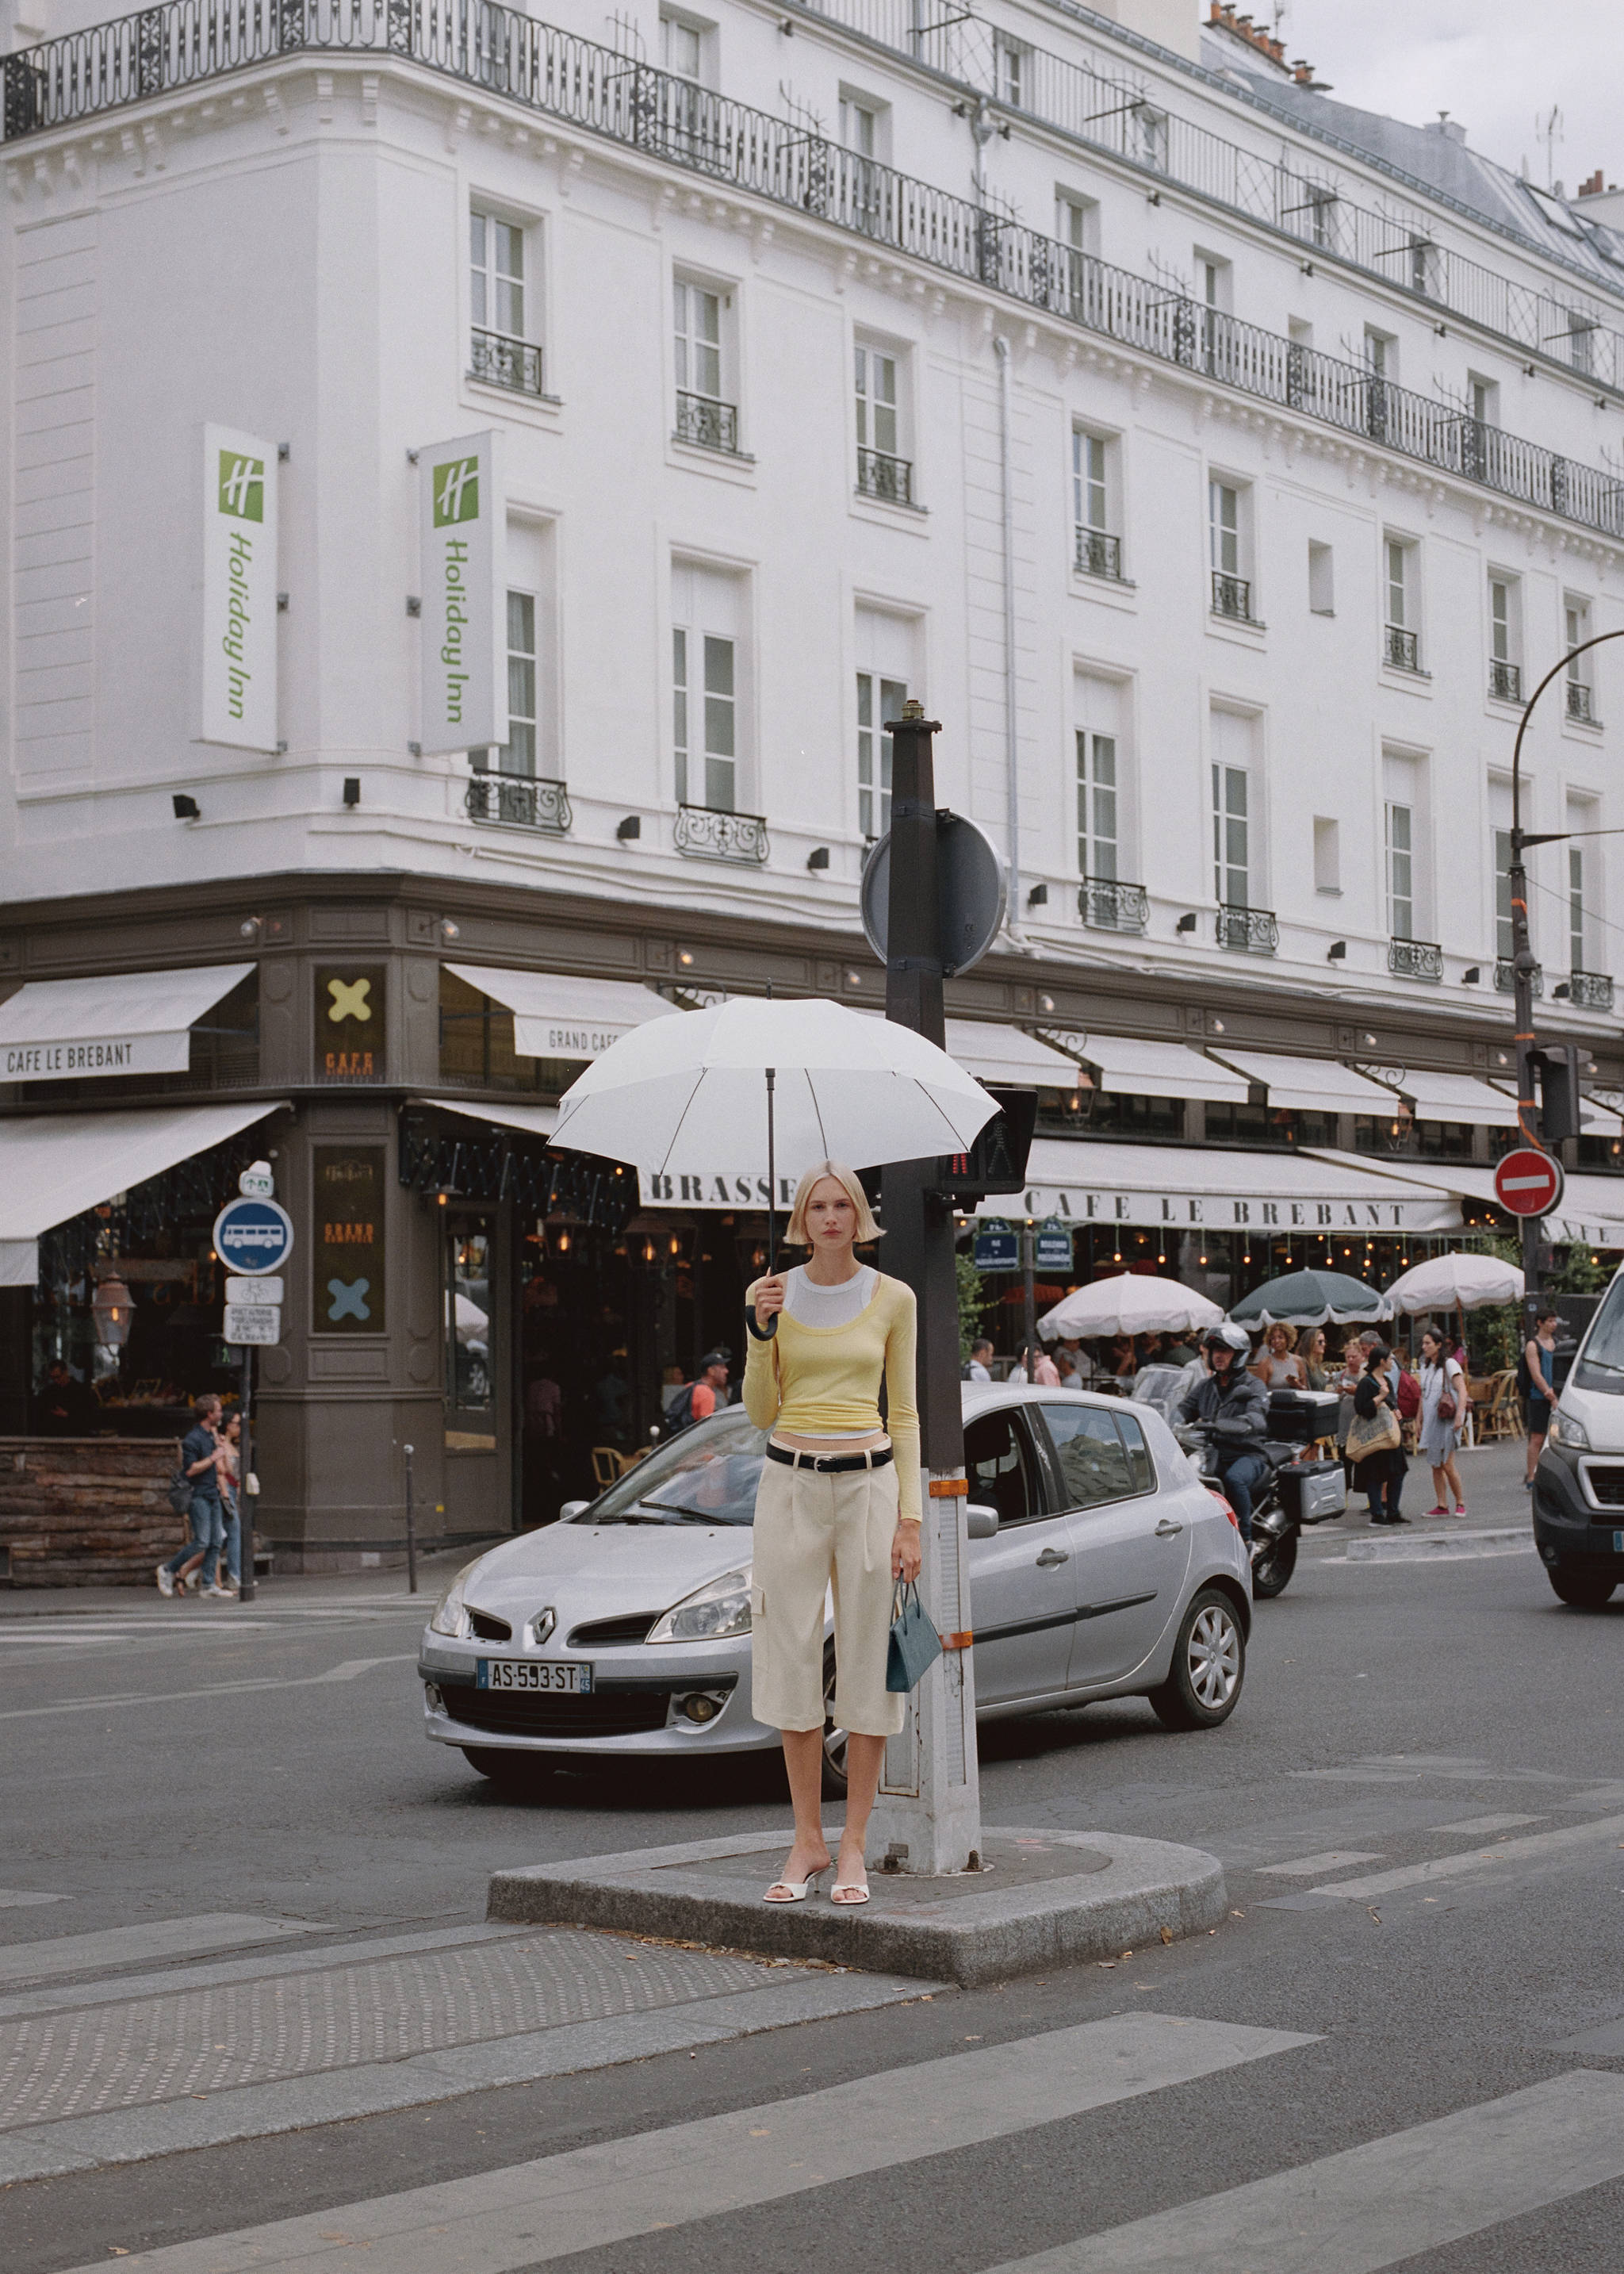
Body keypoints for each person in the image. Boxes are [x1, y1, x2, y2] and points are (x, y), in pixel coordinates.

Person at [743, 1162, 921, 1911]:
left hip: (871, 1482)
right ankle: (807, 1837)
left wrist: (911, 1517)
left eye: (841, 1204)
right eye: (816, 1205)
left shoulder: (894, 1297)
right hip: (788, 1480)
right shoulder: (773, 1294)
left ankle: (853, 1844)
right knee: (787, 1656)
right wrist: (758, 1332)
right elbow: (759, 1410)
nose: (829, 1216)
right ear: (799, 1216)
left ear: (859, 1215)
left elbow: (905, 1412)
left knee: (868, 1663)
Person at [1177, 1323, 1270, 1540]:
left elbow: (1258, 1416)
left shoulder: (1253, 1385)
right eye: (1215, 1351)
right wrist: (1162, 1420)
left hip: (1248, 1453)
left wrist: (1241, 1423)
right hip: (1214, 1451)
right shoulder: (1205, 1387)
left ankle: (1245, 1540)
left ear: (1238, 1355)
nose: (1218, 1356)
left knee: (1234, 1479)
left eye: (1224, 1351)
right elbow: (1182, 1410)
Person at [157, 1395, 229, 1597]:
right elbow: (190, 1470)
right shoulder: (193, 1439)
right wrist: (213, 1458)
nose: (221, 1414)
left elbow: (222, 1468)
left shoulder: (210, 1436)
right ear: (209, 1414)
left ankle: (208, 1585)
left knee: (216, 1541)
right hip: (198, 1495)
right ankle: (168, 1569)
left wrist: (219, 1449)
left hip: (212, 1493)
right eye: (218, 1411)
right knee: (202, 1541)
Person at [1352, 1343, 1408, 1525]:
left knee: (1397, 1472)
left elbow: (1392, 1404)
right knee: (1375, 1475)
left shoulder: (1388, 1381)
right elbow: (1361, 1409)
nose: (1393, 1362)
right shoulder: (1366, 1383)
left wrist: (1397, 1411)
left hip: (1390, 1435)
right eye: (1390, 1359)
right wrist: (1379, 1397)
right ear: (1382, 1361)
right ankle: (1377, 1514)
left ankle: (1393, 1511)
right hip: (1374, 1436)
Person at [1418, 1325, 1468, 1517]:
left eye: (1428, 1343)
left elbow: (1462, 1390)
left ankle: (1460, 1502)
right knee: (1435, 1464)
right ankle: (1442, 1504)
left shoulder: (1450, 1364)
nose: (1424, 1347)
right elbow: (1423, 1396)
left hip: (1446, 1419)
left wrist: (1459, 1416)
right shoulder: (1426, 1366)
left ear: (1439, 1345)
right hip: (1431, 1419)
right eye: (1423, 1343)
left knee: (1447, 1463)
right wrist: (1418, 1419)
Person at [1522, 1306, 1560, 1487]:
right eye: (1550, 1321)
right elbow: (1536, 1374)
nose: (1553, 1325)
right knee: (1537, 1437)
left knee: (1557, 1437)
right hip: (1539, 1396)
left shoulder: (1557, 1343)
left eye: (1555, 1321)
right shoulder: (1533, 1345)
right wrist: (1549, 1395)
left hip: (1557, 1395)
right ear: (1540, 1323)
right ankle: (1531, 1476)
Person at [663, 1349, 732, 1436]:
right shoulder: (706, 1392)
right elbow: (705, 1429)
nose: (726, 1371)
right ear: (711, 1371)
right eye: (722, 1367)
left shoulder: (691, 1385)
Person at [37, 1358, 93, 1436]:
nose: (56, 1381)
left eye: (58, 1377)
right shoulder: (48, 1392)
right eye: (53, 1378)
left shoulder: (80, 1391)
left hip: (75, 1435)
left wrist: (68, 1415)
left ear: (66, 1372)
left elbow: (87, 1416)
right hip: (54, 1435)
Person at [1251, 1321, 1306, 1390]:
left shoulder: (1298, 1361)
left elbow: (1305, 1390)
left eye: (1280, 1337)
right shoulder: (1265, 1363)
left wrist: (1298, 1385)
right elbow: (1259, 1391)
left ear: (1288, 1339)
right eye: (1273, 1338)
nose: (1276, 1341)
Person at [1299, 1327, 1331, 1391]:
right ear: (1310, 1343)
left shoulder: (1317, 1365)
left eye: (1324, 1341)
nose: (1324, 1344)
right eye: (1320, 1342)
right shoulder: (1303, 1364)